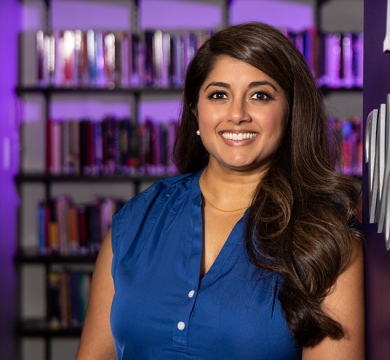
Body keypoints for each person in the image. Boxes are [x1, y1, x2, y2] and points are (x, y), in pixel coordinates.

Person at [76, 22, 364, 359]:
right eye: (218, 94)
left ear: (289, 111)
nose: (237, 114)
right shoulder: (136, 220)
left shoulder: (327, 239)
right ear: (195, 110)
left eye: (260, 95)